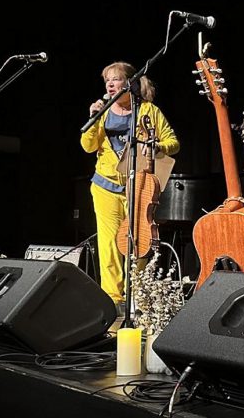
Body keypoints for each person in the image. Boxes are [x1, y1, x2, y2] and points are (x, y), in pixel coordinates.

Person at [81, 62, 179, 311]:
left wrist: (158, 147)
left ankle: (137, 295)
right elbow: (88, 146)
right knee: (110, 244)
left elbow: (173, 142)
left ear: (130, 83)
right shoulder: (102, 112)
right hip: (105, 186)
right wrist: (93, 119)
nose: (110, 84)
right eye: (107, 81)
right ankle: (113, 300)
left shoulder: (148, 110)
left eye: (115, 79)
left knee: (139, 240)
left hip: (139, 187)